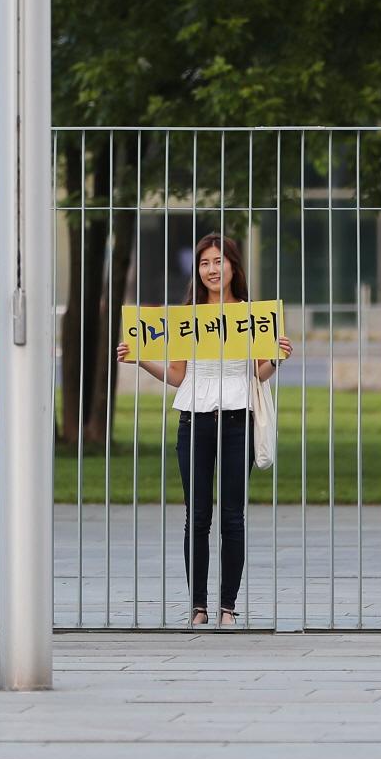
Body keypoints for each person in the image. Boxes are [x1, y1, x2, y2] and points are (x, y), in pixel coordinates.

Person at [115, 232, 292, 627]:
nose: (212, 270)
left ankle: (228, 607)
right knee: (197, 516)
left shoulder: (251, 314)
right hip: (193, 420)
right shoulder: (187, 317)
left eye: (218, 261)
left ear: (233, 266)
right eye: (205, 263)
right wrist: (141, 362)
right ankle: (198, 607)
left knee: (232, 516)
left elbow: (258, 372)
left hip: (236, 420)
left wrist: (277, 359)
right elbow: (179, 375)